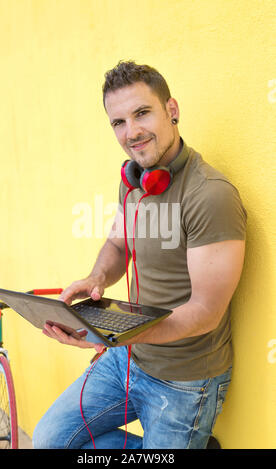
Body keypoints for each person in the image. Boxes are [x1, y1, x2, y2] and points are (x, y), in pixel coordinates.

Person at [32, 61, 247, 449]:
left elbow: (205, 312)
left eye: (142, 113)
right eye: (118, 122)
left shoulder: (210, 195)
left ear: (172, 110)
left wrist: (112, 334)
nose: (131, 132)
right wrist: (96, 278)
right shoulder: (133, 180)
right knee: (50, 440)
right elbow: (117, 244)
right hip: (129, 358)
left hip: (185, 379)